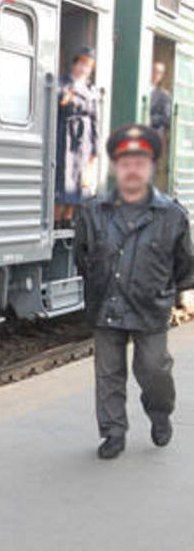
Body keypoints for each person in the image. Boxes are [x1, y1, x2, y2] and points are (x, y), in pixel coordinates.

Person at [73, 123, 194, 459]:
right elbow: (82, 256)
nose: (132, 170)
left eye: (140, 163)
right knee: (108, 373)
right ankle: (113, 433)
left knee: (153, 370)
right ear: (116, 168)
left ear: (151, 167)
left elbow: (185, 264)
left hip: (150, 309)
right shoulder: (93, 212)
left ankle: (159, 412)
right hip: (106, 305)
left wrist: (168, 291)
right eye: (126, 163)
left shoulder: (171, 215)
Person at [55, 46, 99, 224]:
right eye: (81, 64)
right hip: (64, 136)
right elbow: (60, 102)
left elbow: (95, 118)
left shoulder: (91, 89)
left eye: (88, 66)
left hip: (84, 140)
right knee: (62, 179)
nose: (83, 69)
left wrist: (95, 147)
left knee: (79, 180)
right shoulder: (62, 83)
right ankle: (56, 221)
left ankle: (68, 220)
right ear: (74, 64)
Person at [150, 61, 173, 191]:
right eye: (153, 70)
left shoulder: (164, 95)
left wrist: (148, 119)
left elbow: (166, 118)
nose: (155, 74)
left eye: (159, 72)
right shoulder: (139, 89)